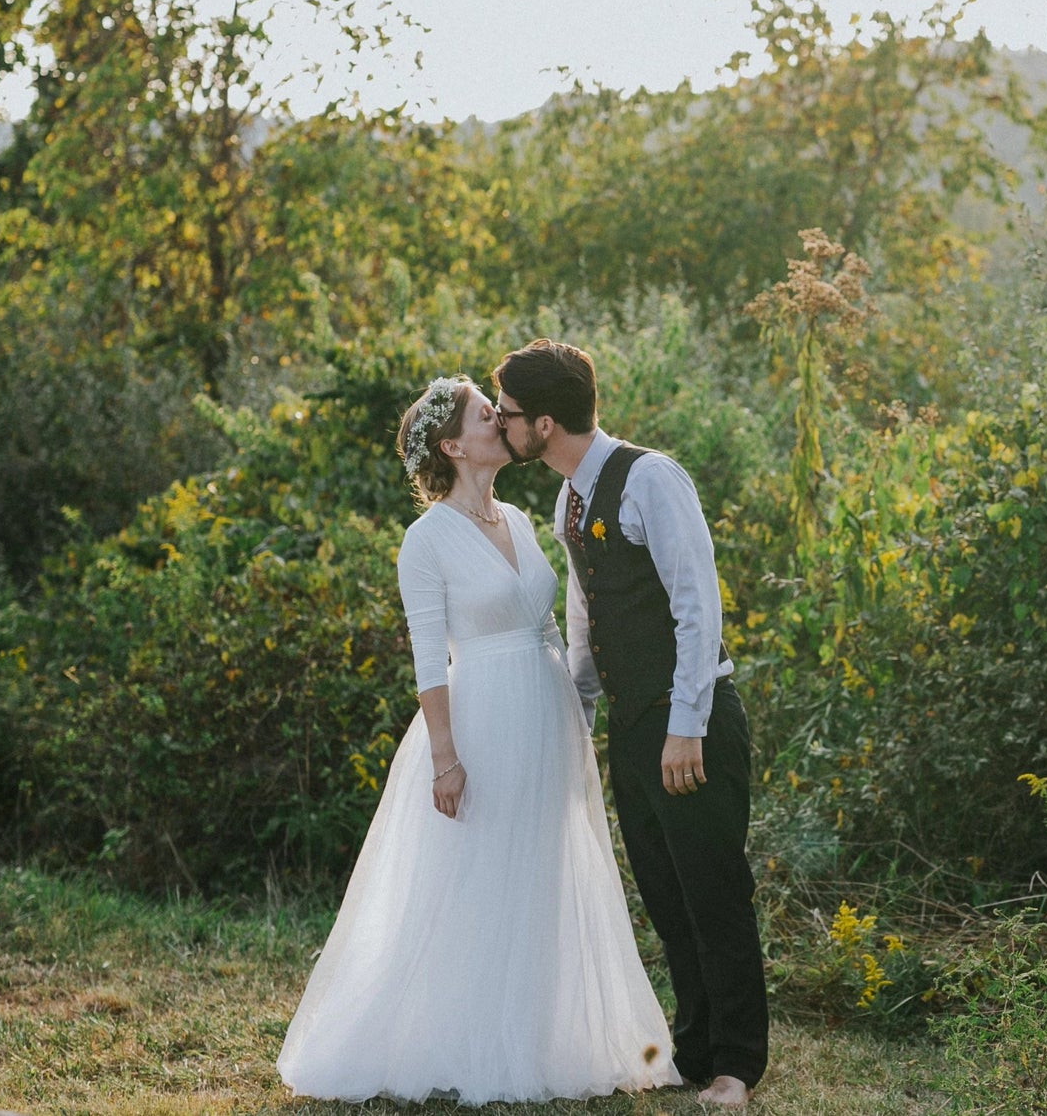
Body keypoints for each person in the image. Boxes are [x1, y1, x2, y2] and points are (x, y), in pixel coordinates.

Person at [278, 375, 679, 1104]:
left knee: (539, 870)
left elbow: (552, 625)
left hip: (546, 715)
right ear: (453, 444)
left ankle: (538, 1032)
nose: (502, 421)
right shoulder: (425, 539)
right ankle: (459, 1035)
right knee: (476, 877)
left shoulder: (522, 520)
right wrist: (444, 756)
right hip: (480, 720)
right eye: (485, 414)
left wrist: (576, 714)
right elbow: (429, 656)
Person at [492, 339, 769, 1108]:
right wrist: (575, 718)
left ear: (543, 423)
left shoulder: (650, 476)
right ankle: (694, 1048)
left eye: (508, 414)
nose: (501, 424)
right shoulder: (568, 499)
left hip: (693, 723)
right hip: (630, 725)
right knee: (666, 894)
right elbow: (585, 620)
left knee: (713, 891)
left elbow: (696, 603)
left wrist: (687, 723)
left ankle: (736, 1067)